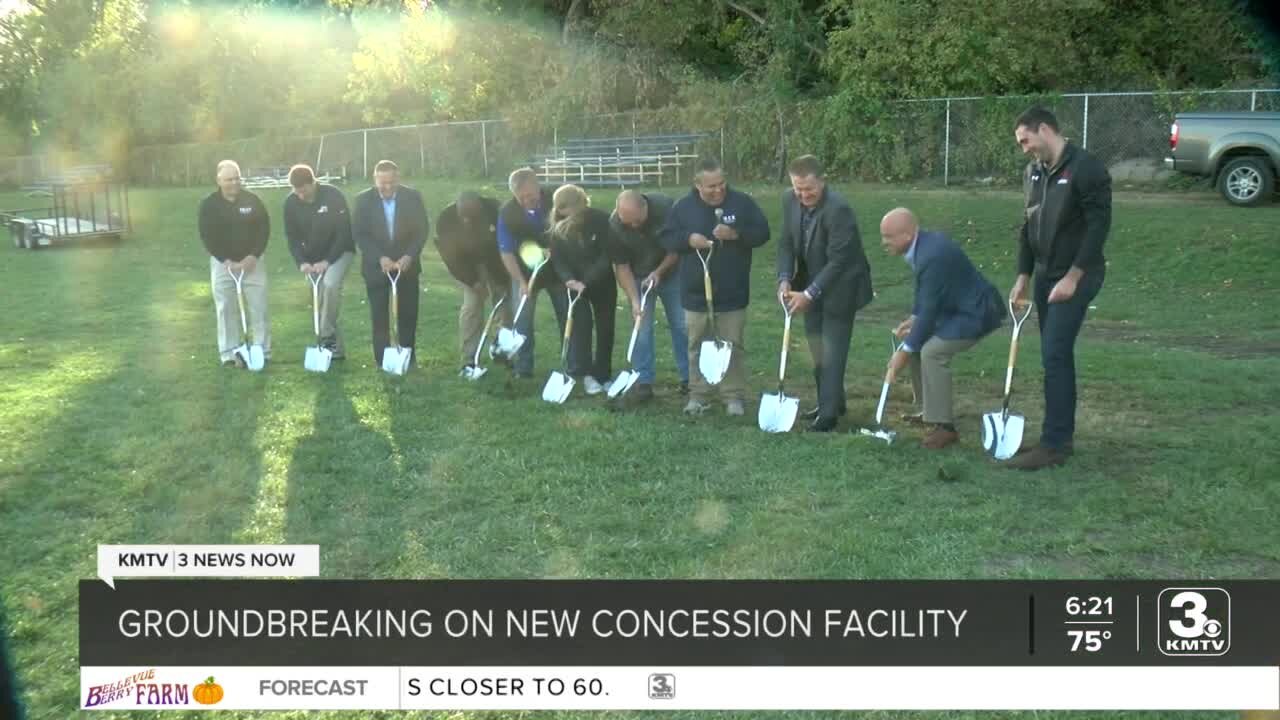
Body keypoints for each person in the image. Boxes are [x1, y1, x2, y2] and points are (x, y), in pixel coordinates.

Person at [1005, 106, 1111, 470]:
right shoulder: (1033, 173)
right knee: (1054, 357)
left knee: (1055, 354)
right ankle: (1055, 439)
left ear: (1045, 130)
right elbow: (1027, 226)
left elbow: (1098, 228)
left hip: (1078, 276)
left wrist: (1073, 277)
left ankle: (1054, 445)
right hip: (1046, 275)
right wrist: (1023, 275)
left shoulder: (1087, 168)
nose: (1024, 149)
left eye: (1026, 140)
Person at [881, 208, 1003, 449]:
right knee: (916, 342)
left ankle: (945, 428)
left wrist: (902, 354)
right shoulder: (923, 247)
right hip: (956, 309)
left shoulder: (931, 255)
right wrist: (914, 319)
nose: (883, 242)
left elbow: (929, 312)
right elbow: (927, 295)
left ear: (906, 235)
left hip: (977, 312)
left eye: (888, 236)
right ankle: (930, 412)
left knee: (931, 352)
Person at [663, 158, 770, 417]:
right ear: (697, 184)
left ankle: (732, 396)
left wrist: (737, 234)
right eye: (711, 186)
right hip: (695, 293)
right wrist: (688, 239)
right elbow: (666, 237)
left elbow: (763, 233)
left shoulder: (742, 203)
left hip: (732, 291)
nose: (718, 190)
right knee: (697, 345)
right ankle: (698, 395)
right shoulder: (683, 207)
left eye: (722, 183)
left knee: (731, 345)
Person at [776, 155, 873, 432]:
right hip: (809, 284)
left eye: (809, 189)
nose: (804, 195)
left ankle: (828, 417)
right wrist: (784, 279)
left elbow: (840, 261)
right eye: (798, 188)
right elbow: (786, 242)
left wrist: (810, 293)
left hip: (841, 286)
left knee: (832, 350)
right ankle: (830, 402)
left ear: (822, 181)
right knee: (817, 346)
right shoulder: (788, 200)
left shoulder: (838, 209)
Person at [610, 189, 688, 402]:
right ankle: (642, 381)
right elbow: (622, 266)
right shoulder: (616, 225)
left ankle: (689, 379)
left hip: (671, 271)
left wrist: (659, 272)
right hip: (636, 275)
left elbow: (676, 250)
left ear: (644, 207)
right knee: (641, 328)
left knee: (682, 324)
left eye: (636, 221)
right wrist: (635, 301)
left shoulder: (667, 209)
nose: (632, 226)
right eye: (627, 222)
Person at [353, 160, 429, 368]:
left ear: (398, 178)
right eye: (383, 183)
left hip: (406, 265)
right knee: (379, 315)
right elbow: (360, 234)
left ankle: (408, 357)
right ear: (375, 179)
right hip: (376, 267)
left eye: (391, 182)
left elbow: (421, 230)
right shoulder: (363, 200)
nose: (387, 187)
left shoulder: (412, 197)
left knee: (408, 313)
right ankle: (383, 360)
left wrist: (409, 256)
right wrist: (380, 258)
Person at [198, 159, 271, 368]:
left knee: (259, 307)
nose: (234, 183)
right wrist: (225, 260)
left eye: (237, 178)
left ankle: (262, 351)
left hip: (252, 263)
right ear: (219, 180)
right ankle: (229, 353)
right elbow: (206, 235)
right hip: (223, 264)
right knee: (225, 308)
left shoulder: (253, 200)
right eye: (229, 179)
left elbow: (264, 230)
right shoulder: (209, 205)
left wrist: (253, 256)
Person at [498, 168, 568, 378]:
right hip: (525, 272)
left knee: (568, 314)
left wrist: (557, 250)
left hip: (558, 270)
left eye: (531, 194)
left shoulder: (555, 200)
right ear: (514, 194)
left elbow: (571, 230)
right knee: (523, 321)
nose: (528, 199)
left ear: (538, 187)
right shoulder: (507, 214)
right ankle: (524, 366)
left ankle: (573, 364)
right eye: (522, 197)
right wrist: (520, 281)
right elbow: (507, 252)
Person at [547, 184, 616, 394]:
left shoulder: (602, 219)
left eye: (564, 208)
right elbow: (557, 258)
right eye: (558, 208)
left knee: (606, 329)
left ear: (578, 205)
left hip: (602, 283)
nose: (560, 213)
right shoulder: (557, 224)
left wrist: (588, 279)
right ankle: (586, 375)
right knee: (582, 328)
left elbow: (607, 255)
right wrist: (569, 279)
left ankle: (603, 374)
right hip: (574, 285)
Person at [435, 191, 512, 374]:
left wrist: (503, 278)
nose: (467, 220)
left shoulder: (496, 210)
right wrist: (473, 281)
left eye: (472, 216)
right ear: (457, 206)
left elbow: (506, 244)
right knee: (471, 308)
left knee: (504, 308)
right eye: (464, 216)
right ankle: (469, 359)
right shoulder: (446, 219)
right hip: (467, 265)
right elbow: (451, 258)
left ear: (480, 206)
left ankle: (503, 351)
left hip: (497, 262)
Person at [283, 164, 354, 359]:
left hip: (340, 252)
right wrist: (302, 262)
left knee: (330, 285)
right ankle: (336, 349)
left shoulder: (333, 196)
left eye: (303, 189)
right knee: (319, 299)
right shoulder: (290, 203)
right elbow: (292, 238)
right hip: (312, 258)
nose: (300, 195)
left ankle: (325, 335)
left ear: (313, 182)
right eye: (296, 191)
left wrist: (328, 261)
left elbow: (344, 233)